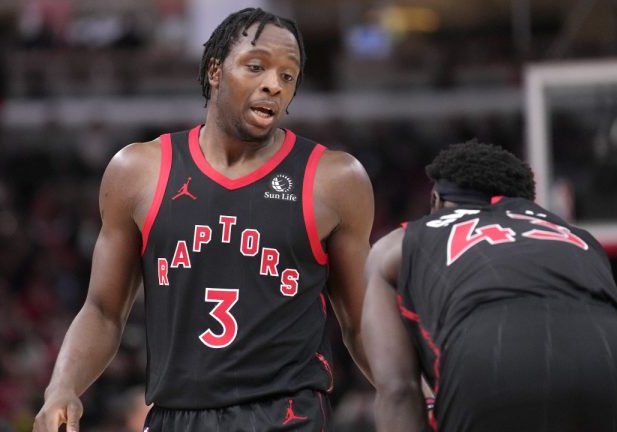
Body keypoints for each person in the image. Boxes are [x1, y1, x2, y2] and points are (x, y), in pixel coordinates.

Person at [33, 8, 374, 432]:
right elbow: (103, 310)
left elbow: (361, 323)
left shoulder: (335, 179)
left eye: (289, 76)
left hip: (286, 414)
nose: (274, 84)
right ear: (214, 70)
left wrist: (418, 394)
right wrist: (62, 387)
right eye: (257, 66)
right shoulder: (138, 171)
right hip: (175, 416)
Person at [362, 141, 617, 431]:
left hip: (495, 344)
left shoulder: (398, 244)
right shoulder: (577, 235)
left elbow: (399, 390)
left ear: (437, 201)